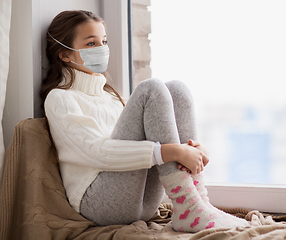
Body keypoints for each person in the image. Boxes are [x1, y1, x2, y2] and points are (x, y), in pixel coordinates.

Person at [41, 10, 250, 233]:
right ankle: (189, 206)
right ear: (65, 55)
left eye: (104, 41)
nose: (102, 49)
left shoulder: (112, 98)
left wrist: (192, 149)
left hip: (142, 203)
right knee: (151, 89)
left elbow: (158, 127)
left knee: (176, 89)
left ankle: (196, 201)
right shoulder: (60, 98)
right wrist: (173, 152)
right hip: (99, 204)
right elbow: (98, 153)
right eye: (91, 43)